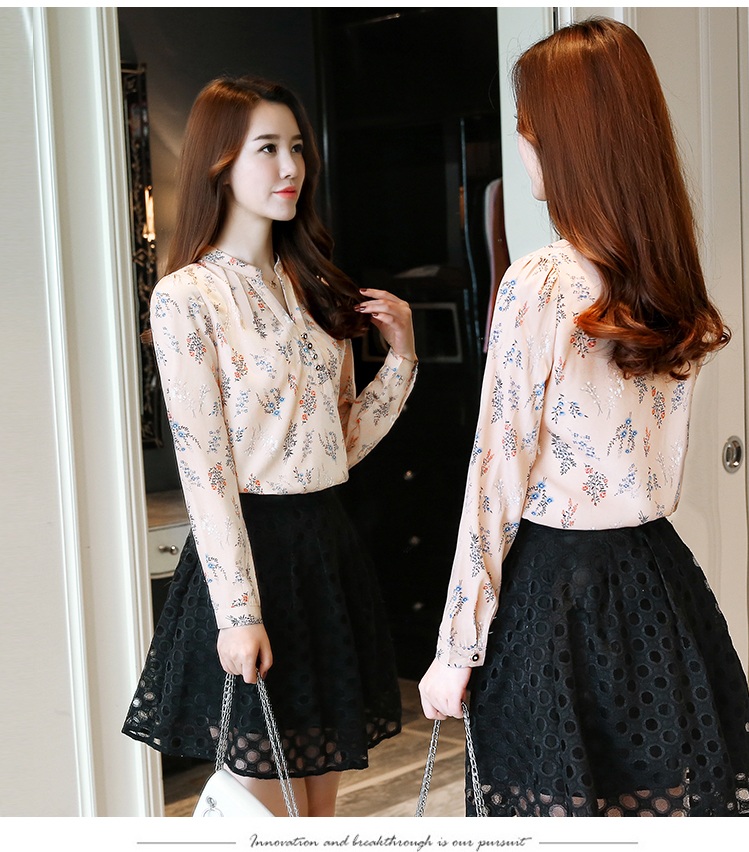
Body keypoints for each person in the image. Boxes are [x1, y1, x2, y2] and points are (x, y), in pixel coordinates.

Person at [419, 18, 749, 817]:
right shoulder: (668, 282)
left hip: (555, 599)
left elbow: (496, 473)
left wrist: (456, 647)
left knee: (555, 813)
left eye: (527, 126)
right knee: (656, 809)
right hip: (658, 587)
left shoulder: (539, 282)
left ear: (565, 141)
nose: (521, 145)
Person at [122, 76, 417, 817]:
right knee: (264, 812)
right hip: (250, 554)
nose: (291, 167)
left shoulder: (312, 286)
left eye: (297, 148)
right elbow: (205, 470)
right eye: (267, 149)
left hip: (326, 549)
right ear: (220, 163)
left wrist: (402, 359)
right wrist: (237, 613)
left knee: (319, 809)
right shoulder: (188, 296)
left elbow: (339, 444)